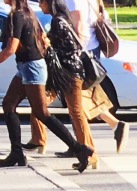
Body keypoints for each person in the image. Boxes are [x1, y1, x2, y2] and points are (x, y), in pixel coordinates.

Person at [0, 0, 93, 170]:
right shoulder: (26, 12)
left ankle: (79, 148)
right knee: (8, 104)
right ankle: (17, 153)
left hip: (32, 67)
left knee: (41, 112)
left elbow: (11, 49)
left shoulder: (17, 15)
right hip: (26, 66)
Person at [43, 0, 129, 157]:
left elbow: (79, 23)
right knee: (84, 99)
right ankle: (111, 127)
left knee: (77, 103)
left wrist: (76, 52)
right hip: (90, 49)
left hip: (81, 51)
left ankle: (84, 147)